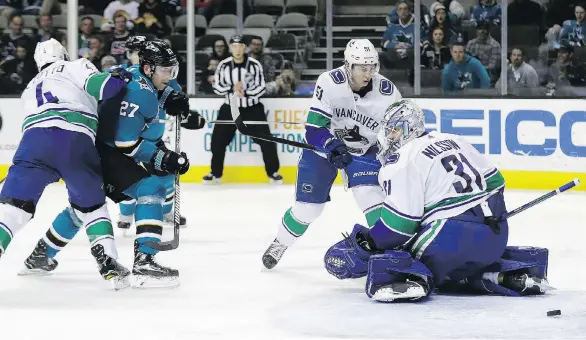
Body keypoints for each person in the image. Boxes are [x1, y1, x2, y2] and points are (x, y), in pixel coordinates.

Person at [324, 99, 552, 302]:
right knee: (460, 270)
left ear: (406, 129)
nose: (389, 137)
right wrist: (486, 217)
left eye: (393, 131)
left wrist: (369, 243)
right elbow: (497, 183)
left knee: (399, 252)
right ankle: (509, 275)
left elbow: (398, 229)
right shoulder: (453, 139)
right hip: (496, 236)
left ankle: (411, 279)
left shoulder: (401, 160)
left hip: (447, 239)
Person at [22, 39, 203, 288]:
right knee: (150, 189)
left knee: (82, 207)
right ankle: (145, 262)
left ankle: (41, 255)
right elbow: (125, 143)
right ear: (149, 68)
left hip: (88, 146)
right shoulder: (141, 94)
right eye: (166, 70)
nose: (170, 76)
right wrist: (163, 157)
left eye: (173, 70)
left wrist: (169, 97)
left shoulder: (137, 74)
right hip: (103, 150)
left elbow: (148, 94)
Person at [0, 38, 131, 289]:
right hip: (73, 139)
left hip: (33, 142)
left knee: (12, 208)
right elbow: (104, 87)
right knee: (92, 206)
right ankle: (109, 262)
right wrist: (119, 76)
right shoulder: (75, 66)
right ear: (64, 54)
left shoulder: (29, 86)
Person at [261, 39, 402, 269]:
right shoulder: (329, 82)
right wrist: (332, 145)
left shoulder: (387, 92)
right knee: (308, 209)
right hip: (323, 151)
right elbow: (314, 129)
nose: (368, 73)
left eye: (371, 67)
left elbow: (397, 130)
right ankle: (281, 242)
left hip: (364, 150)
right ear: (348, 65)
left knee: (369, 194)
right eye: (362, 67)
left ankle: (389, 252)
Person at [115, 35, 190, 231]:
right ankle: (126, 212)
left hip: (153, 138)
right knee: (130, 180)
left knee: (166, 175)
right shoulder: (126, 78)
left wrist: (188, 115)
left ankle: (166, 211)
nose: (135, 56)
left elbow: (175, 103)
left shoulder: (163, 78)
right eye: (133, 52)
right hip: (131, 141)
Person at [204, 35, 281, 184]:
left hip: (252, 107)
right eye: (234, 46)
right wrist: (232, 89)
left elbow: (260, 87)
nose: (237, 49)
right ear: (231, 48)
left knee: (267, 140)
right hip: (230, 108)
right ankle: (215, 173)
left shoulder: (254, 65)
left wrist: (245, 92)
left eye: (240, 46)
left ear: (244, 48)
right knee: (217, 141)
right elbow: (217, 87)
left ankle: (273, 172)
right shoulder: (224, 65)